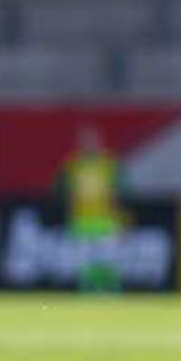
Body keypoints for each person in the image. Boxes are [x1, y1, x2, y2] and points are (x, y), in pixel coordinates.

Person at [62, 123, 124, 294]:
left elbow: (113, 194)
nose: (88, 145)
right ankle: (89, 291)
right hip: (82, 220)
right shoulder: (74, 165)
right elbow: (71, 195)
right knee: (84, 260)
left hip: (104, 219)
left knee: (108, 258)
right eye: (84, 141)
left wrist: (116, 219)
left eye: (91, 141)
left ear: (98, 142)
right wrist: (70, 217)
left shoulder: (107, 164)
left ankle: (111, 290)